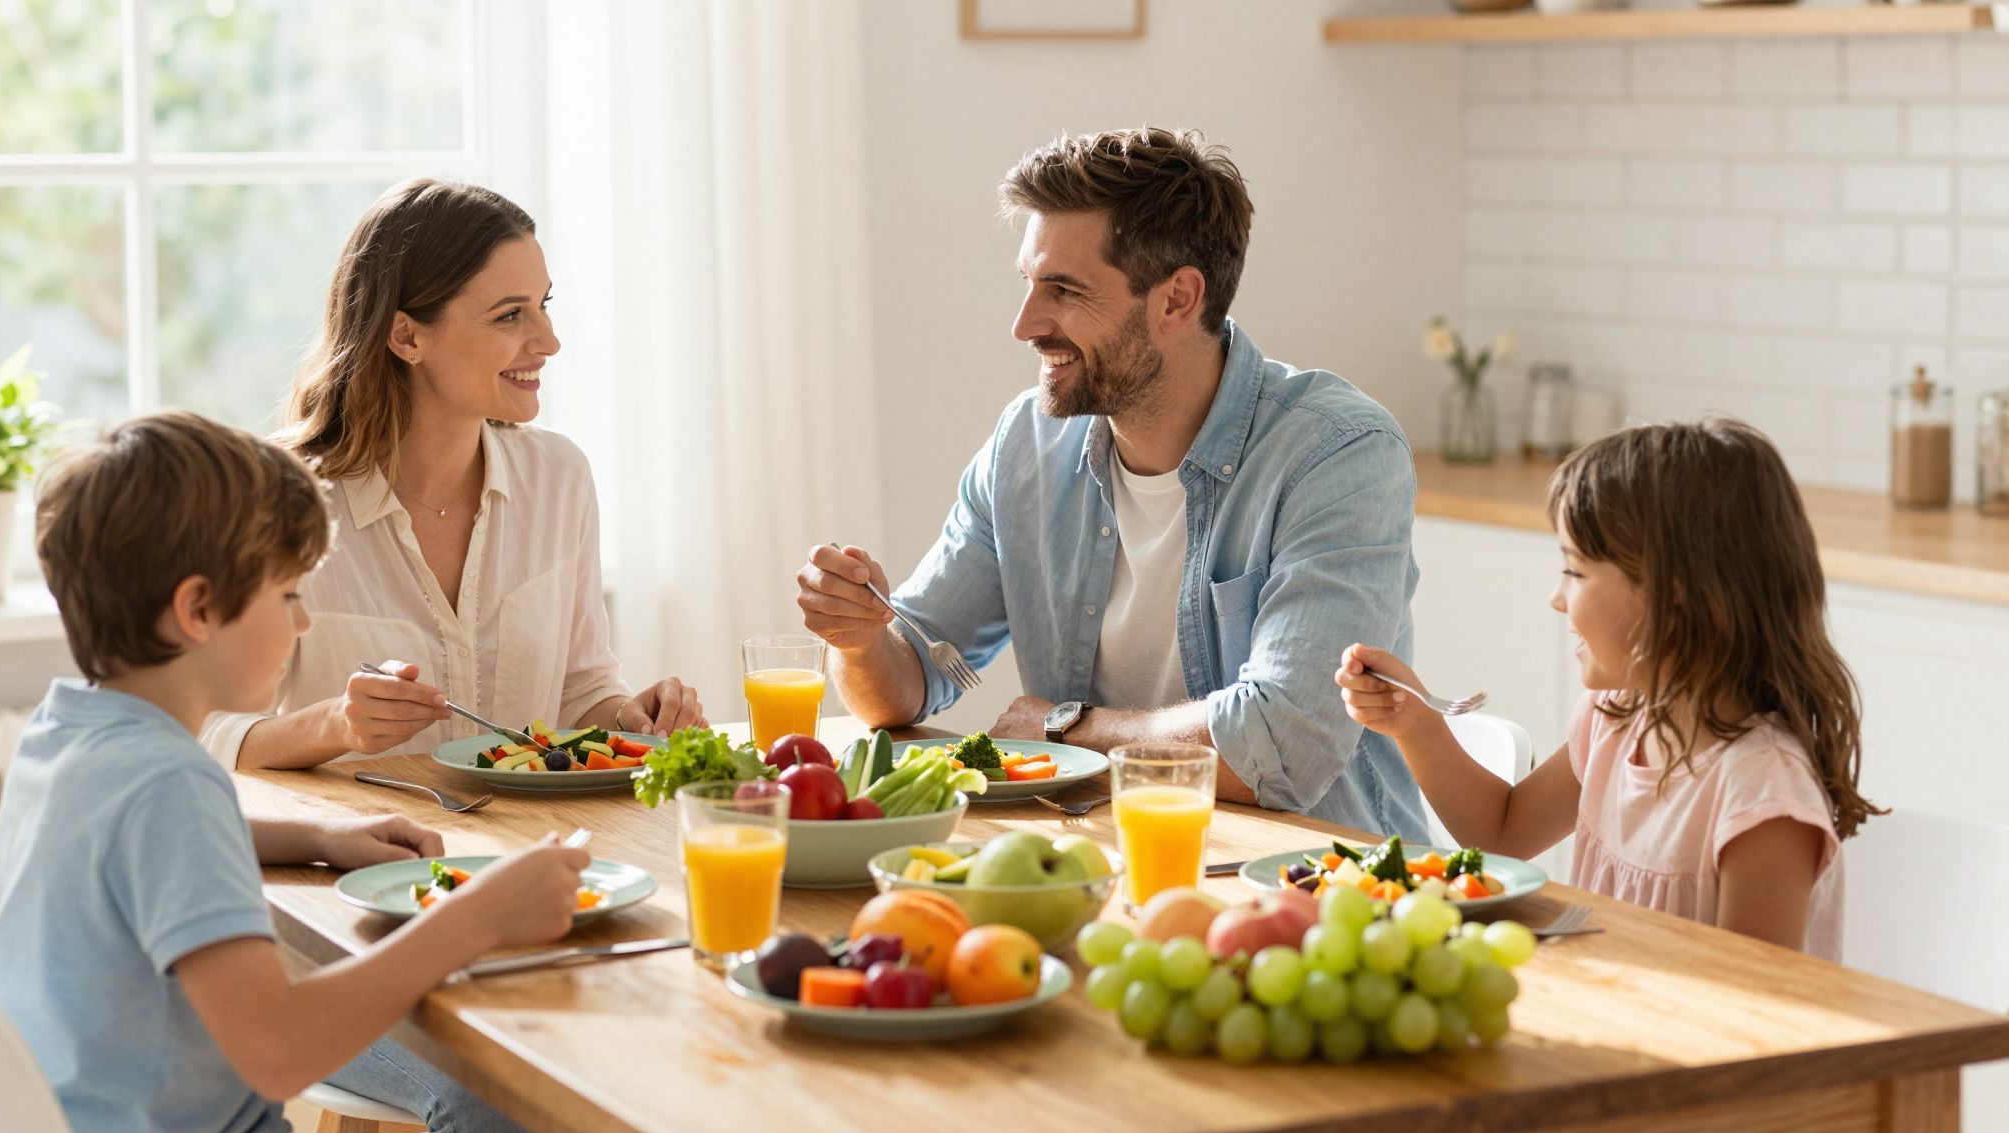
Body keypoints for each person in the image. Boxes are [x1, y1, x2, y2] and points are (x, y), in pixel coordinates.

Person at [0, 412, 586, 1133]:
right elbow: (278, 1051)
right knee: (502, 1093)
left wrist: (318, 836)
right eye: (291, 596)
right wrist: (479, 917)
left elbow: (136, 849)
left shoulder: (67, 734)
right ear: (198, 610)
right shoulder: (172, 784)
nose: (302, 626)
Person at [797, 127, 1426, 837]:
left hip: (1313, 885)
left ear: (1176, 300)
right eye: (1029, 284)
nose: (1024, 325)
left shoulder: (1336, 454)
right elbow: (906, 679)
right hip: (1098, 863)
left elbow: (1280, 748)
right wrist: (857, 640)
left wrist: (1065, 728)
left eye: (1062, 290)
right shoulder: (1029, 444)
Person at [201, 178, 704, 775]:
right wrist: (336, 724)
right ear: (407, 335)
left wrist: (628, 719)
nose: (549, 341)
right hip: (362, 859)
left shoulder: (558, 478)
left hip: (530, 854)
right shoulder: (272, 500)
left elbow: (578, 688)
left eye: (543, 305)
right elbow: (204, 729)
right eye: (509, 316)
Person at [1336, 419, 1880, 959]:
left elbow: (1754, 1011)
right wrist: (1413, 722)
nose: (1556, 598)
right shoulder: (1614, 717)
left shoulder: (1761, 796)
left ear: (1677, 594)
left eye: (1574, 572)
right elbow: (1502, 834)